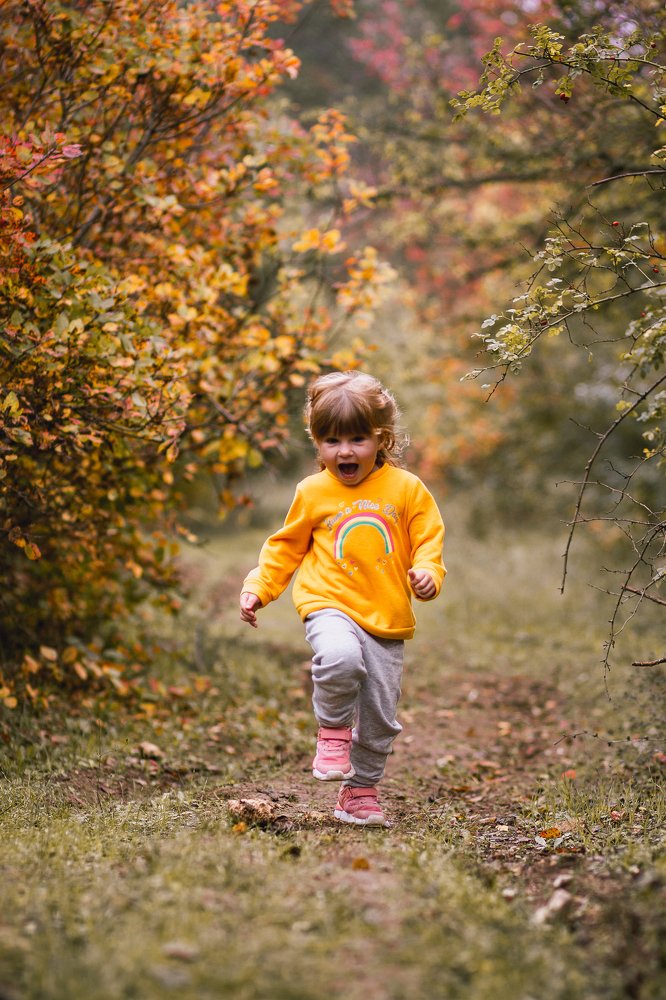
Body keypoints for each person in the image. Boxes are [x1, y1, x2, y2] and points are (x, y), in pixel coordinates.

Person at [239, 370, 445, 827]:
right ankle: (332, 732)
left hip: (387, 615)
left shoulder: (407, 489)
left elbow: (429, 539)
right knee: (340, 657)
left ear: (382, 437)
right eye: (331, 440)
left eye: (357, 438)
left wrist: (428, 571)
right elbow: (284, 547)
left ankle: (360, 791)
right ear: (316, 442)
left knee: (380, 717)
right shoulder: (313, 492)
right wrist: (259, 587)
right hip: (327, 603)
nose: (345, 451)